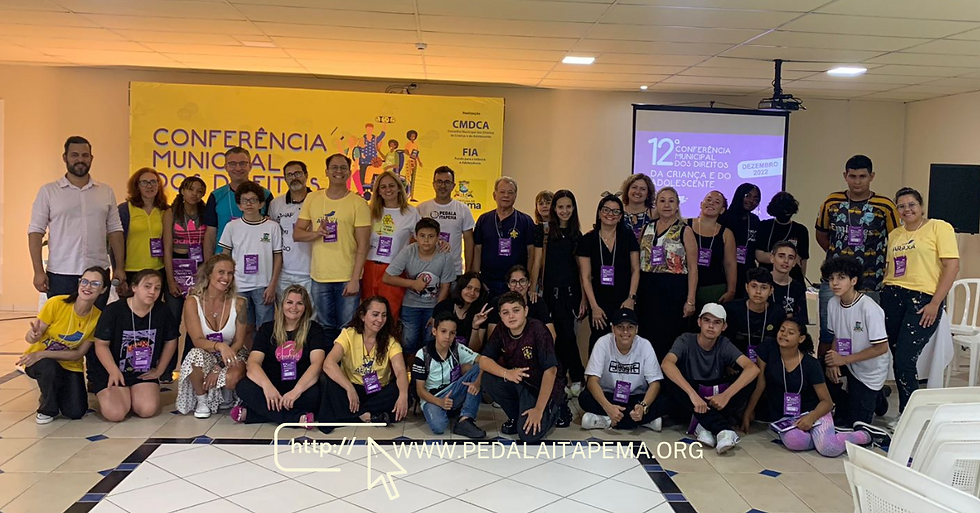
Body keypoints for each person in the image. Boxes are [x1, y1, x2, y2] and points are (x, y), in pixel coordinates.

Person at [742, 318, 872, 457]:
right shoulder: (768, 350)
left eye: (791, 332)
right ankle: (824, 436)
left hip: (815, 411)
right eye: (782, 330)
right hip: (787, 416)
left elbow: (827, 402)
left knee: (828, 448)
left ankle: (864, 435)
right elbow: (760, 384)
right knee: (795, 441)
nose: (784, 334)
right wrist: (748, 412)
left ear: (801, 338)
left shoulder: (811, 364)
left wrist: (811, 417)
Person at [882, 187, 959, 416]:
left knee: (905, 359)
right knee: (898, 358)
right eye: (901, 206)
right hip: (893, 296)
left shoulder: (939, 227)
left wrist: (935, 303)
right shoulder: (895, 235)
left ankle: (910, 415)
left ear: (921, 206)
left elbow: (952, 267)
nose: (907, 209)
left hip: (922, 299)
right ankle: (907, 412)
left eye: (911, 204)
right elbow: (892, 269)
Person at [29, 136, 125, 308]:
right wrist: (38, 271)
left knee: (96, 321)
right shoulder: (49, 192)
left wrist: (119, 267)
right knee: (61, 322)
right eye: (74, 155)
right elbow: (35, 232)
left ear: (91, 158)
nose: (80, 159)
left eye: (85, 155)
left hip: (98, 273)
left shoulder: (105, 192)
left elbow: (115, 231)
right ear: (65, 157)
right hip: (61, 274)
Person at [815, 155, 898, 353]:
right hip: (833, 280)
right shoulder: (831, 201)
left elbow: (896, 241)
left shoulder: (885, 206)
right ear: (845, 176)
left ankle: (859, 371)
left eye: (862, 176)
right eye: (852, 176)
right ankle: (825, 371)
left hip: (870, 280)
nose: (857, 181)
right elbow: (821, 235)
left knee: (867, 332)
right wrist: (840, 262)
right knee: (828, 332)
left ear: (872, 176)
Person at [660, 304, 759, 454]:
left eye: (717, 322)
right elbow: (666, 364)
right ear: (699, 322)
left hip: (714, 396)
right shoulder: (686, 339)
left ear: (724, 326)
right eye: (707, 320)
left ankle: (703, 424)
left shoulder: (724, 343)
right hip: (691, 395)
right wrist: (693, 395)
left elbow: (752, 368)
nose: (711, 326)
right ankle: (722, 429)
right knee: (670, 380)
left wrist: (726, 395)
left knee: (750, 379)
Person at [295, 154, 371, 340]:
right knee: (325, 327)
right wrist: (316, 233)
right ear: (326, 172)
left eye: (343, 168)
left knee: (348, 328)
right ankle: (327, 360)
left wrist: (355, 279)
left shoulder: (359, 203)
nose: (339, 171)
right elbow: (297, 234)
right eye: (334, 167)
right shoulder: (313, 198)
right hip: (320, 276)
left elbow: (363, 245)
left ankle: (345, 360)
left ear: (349, 172)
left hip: (347, 276)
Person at [18, 267, 108, 424]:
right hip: (38, 361)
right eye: (84, 281)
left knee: (75, 411)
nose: (88, 287)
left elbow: (78, 354)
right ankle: (47, 409)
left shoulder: (98, 318)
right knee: (49, 368)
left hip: (68, 364)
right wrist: (33, 336)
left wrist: (43, 353)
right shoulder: (57, 303)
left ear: (103, 290)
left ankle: (56, 389)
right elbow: (31, 338)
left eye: (95, 284)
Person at [90, 270, 179, 422]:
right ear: (134, 287)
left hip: (142, 370)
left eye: (157, 288)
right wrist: (113, 371)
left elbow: (171, 340)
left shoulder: (162, 310)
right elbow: (101, 344)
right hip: (111, 370)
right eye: (147, 286)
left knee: (147, 410)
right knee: (116, 414)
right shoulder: (114, 310)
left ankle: (131, 395)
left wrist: (160, 370)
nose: (152, 292)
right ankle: (115, 395)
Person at [231, 285, 325, 425]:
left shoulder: (314, 329)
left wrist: (296, 392)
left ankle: (254, 415)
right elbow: (253, 363)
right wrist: (267, 387)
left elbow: (317, 364)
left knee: (315, 395)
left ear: (306, 307)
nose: (294, 307)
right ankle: (295, 418)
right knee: (243, 387)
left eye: (299, 303)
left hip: (300, 387)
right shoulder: (267, 329)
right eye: (289, 302)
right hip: (272, 386)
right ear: (281, 305)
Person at [479, 292, 564, 442]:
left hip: (541, 387)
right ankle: (517, 417)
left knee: (528, 436)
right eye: (506, 312)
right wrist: (507, 373)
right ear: (500, 316)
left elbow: (551, 371)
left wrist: (538, 409)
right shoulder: (501, 329)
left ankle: (557, 409)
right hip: (521, 383)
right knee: (488, 378)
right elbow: (484, 360)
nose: (511, 316)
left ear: (526, 311)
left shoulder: (538, 330)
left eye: (516, 310)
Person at [819, 257, 891, 432]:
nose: (835, 283)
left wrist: (844, 360)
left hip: (870, 370)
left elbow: (882, 348)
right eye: (831, 278)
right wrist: (832, 361)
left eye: (841, 278)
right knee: (816, 369)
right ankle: (847, 403)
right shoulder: (833, 303)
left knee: (857, 425)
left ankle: (878, 397)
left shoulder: (869, 309)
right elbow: (837, 336)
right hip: (847, 361)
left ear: (853, 281)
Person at [176, 254, 249, 418]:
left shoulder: (240, 303)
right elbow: (197, 340)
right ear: (209, 274)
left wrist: (219, 366)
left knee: (233, 375)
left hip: (232, 352)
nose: (226, 278)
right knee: (194, 355)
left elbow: (239, 342)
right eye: (221, 272)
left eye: (230, 273)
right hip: (207, 353)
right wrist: (219, 346)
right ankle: (201, 400)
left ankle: (227, 394)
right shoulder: (192, 302)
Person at [319, 296, 409, 429]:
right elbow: (328, 363)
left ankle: (355, 415)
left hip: (377, 392)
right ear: (362, 316)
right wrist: (349, 388)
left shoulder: (391, 341)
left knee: (402, 391)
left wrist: (403, 395)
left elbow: (400, 370)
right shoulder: (349, 334)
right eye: (375, 314)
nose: (380, 320)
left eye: (384, 315)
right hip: (351, 389)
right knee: (327, 379)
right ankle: (371, 416)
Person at [530, 190, 586, 396]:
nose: (564, 211)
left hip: (571, 293)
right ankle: (564, 377)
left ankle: (575, 376)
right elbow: (537, 262)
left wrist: (584, 299)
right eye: (560, 207)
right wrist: (532, 288)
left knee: (567, 336)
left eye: (568, 207)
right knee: (555, 337)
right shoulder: (543, 231)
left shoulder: (577, 235)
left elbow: (582, 270)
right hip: (549, 293)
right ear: (554, 208)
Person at [580, 308, 668, 431]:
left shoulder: (645, 345)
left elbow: (655, 384)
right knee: (584, 398)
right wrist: (608, 407)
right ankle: (642, 421)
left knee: (665, 400)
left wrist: (643, 406)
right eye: (620, 327)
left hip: (636, 398)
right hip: (609, 396)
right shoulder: (603, 343)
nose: (625, 331)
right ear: (613, 329)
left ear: (637, 329)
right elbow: (592, 381)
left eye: (630, 327)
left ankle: (607, 420)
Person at [638, 187, 698, 358]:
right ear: (656, 204)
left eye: (671, 201)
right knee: (647, 335)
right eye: (662, 201)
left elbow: (693, 268)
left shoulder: (684, 230)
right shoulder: (647, 227)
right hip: (647, 288)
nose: (666, 205)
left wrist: (690, 300)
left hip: (673, 290)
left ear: (677, 205)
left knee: (669, 337)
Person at [382, 218, 455, 357]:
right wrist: (412, 284)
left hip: (433, 305)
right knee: (408, 341)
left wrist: (437, 313)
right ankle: (411, 369)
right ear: (415, 236)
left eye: (431, 236)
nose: (426, 240)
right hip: (411, 304)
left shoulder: (445, 255)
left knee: (430, 340)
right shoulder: (408, 252)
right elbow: (387, 277)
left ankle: (428, 369)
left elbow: (445, 286)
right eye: (422, 236)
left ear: (438, 237)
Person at [578, 195, 640, 353]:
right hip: (599, 302)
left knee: (624, 342)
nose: (610, 214)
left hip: (624, 300)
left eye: (615, 211)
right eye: (606, 210)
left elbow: (635, 269)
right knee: (599, 343)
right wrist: (594, 307)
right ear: (599, 213)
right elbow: (585, 277)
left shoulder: (628, 237)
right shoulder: (588, 239)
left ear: (620, 216)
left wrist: (631, 298)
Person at [219, 181, 283, 329]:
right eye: (244, 201)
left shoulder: (272, 227)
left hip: (264, 286)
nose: (249, 204)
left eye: (253, 200)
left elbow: (278, 257)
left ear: (261, 204)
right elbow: (225, 257)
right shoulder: (231, 227)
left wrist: (272, 285)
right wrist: (227, 282)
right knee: (242, 329)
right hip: (239, 286)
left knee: (265, 328)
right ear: (239, 205)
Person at [412, 312, 486, 438]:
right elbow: (420, 390)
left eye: (452, 333)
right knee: (439, 427)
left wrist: (477, 382)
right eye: (443, 331)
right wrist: (440, 402)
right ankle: (448, 410)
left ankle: (465, 419)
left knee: (479, 367)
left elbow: (482, 360)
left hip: (453, 390)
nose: (447, 337)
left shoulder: (457, 348)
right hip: (432, 397)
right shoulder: (422, 354)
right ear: (434, 331)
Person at [363, 170, 421, 320]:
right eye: (383, 187)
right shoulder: (369, 211)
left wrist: (440, 243)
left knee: (389, 315)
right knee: (368, 314)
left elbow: (422, 238)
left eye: (391, 185)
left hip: (394, 270)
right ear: (378, 191)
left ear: (399, 188)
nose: (387, 190)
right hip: (369, 267)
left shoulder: (411, 212)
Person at [472, 176, 535, 299]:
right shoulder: (484, 220)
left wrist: (528, 282)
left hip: (515, 285)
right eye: (502, 192)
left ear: (515, 196)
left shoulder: (526, 221)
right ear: (494, 195)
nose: (506, 196)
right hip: (488, 282)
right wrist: (477, 279)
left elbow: (531, 253)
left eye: (510, 192)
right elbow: (477, 250)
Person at [204, 146, 274, 256]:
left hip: (256, 258)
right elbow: (210, 234)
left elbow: (272, 231)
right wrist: (208, 263)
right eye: (232, 164)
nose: (237, 168)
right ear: (226, 167)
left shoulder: (265, 195)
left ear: (250, 166)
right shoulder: (216, 196)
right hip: (223, 258)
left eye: (242, 163)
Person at [418, 166, 475, 278]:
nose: (443, 186)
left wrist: (468, 272)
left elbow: (469, 242)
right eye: (439, 182)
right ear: (433, 184)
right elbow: (414, 240)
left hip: (454, 271)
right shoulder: (421, 208)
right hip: (425, 270)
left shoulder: (463, 209)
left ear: (453, 185)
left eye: (447, 182)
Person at [268, 161, 314, 299]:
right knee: (285, 310)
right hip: (284, 273)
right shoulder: (276, 204)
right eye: (290, 175)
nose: (294, 178)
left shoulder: (318, 200)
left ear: (306, 175)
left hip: (312, 272)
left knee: (310, 312)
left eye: (298, 173)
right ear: (285, 178)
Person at [118, 168, 169, 286]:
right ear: (136, 186)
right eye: (144, 182)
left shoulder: (165, 210)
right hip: (131, 269)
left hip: (158, 269)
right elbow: (117, 243)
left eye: (153, 182)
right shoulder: (125, 209)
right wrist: (118, 269)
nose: (149, 186)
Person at [723, 268, 785, 361]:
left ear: (771, 290)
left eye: (763, 287)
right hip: (734, 362)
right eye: (754, 286)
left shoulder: (778, 313)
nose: (758, 292)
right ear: (747, 287)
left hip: (767, 362)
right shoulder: (731, 309)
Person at [689, 191, 737, 309]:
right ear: (701, 204)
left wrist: (731, 291)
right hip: (685, 285)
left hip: (714, 288)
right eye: (709, 200)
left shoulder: (726, 234)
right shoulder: (685, 225)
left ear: (722, 210)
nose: (711, 203)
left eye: (717, 202)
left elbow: (730, 264)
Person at [486, 265, 556, 340]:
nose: (518, 286)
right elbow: (491, 338)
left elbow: (552, 335)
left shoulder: (536, 301)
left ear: (529, 283)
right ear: (508, 284)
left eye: (522, 281)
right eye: (513, 282)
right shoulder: (497, 302)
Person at [756, 191, 809, 284]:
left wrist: (800, 281)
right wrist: (788, 259)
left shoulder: (801, 230)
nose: (785, 213)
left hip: (792, 278)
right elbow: (759, 255)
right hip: (766, 278)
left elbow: (802, 261)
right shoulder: (764, 226)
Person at [719, 183, 761, 298]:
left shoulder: (754, 220)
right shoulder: (723, 218)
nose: (751, 201)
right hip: (723, 273)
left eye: (756, 199)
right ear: (739, 195)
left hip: (747, 273)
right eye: (748, 196)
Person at [432, 272, 492, 351]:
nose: (472, 293)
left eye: (477, 290)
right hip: (443, 351)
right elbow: (436, 339)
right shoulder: (443, 307)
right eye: (469, 288)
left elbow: (474, 349)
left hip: (468, 355)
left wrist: (475, 327)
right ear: (460, 288)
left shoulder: (480, 313)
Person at [770, 241, 809, 324]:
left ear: (794, 262)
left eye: (790, 258)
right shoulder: (761, 282)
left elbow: (801, 320)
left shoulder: (798, 289)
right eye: (781, 256)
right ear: (772, 258)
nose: (786, 261)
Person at [620, 174, 656, 242]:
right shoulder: (618, 212)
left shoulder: (654, 214)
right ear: (627, 190)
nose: (637, 192)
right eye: (634, 187)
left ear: (648, 193)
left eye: (643, 189)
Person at [356, 123, 386, 193]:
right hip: (364, 160)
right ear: (366, 129)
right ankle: (362, 190)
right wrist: (361, 154)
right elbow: (358, 148)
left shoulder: (375, 139)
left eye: (370, 129)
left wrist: (384, 125)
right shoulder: (363, 138)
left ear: (372, 129)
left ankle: (372, 188)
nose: (369, 130)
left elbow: (382, 135)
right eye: (368, 129)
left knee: (372, 175)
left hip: (373, 160)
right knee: (362, 174)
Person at [404, 130, 423, 201]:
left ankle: (412, 197)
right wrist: (410, 155)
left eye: (414, 136)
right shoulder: (408, 144)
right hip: (409, 161)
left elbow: (416, 154)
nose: (413, 137)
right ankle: (405, 195)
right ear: (409, 137)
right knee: (407, 178)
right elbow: (405, 151)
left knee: (413, 179)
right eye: (412, 136)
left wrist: (419, 161)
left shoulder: (416, 145)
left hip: (414, 162)